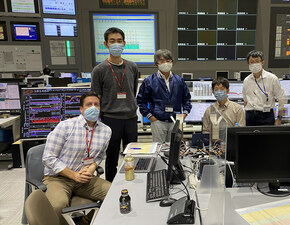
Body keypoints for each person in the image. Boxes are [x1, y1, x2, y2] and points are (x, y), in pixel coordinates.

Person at [42, 91, 112, 225]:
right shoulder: (65, 126)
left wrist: (91, 169)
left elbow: (100, 156)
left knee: (115, 194)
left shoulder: (106, 131)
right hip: (58, 178)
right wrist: (73, 175)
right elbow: (48, 158)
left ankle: (86, 221)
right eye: (88, 104)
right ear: (81, 109)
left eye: (96, 104)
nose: (93, 107)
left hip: (85, 179)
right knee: (58, 206)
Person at [91, 27, 139, 182]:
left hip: (130, 118)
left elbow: (133, 90)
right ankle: (110, 187)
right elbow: (96, 97)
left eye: (119, 41)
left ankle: (131, 182)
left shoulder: (132, 67)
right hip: (110, 118)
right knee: (111, 157)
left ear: (124, 43)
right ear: (106, 44)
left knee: (131, 155)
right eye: (112, 41)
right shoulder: (99, 70)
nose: (116, 44)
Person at [137, 49, 192, 143]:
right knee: (159, 150)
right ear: (156, 63)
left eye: (168, 61)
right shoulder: (149, 81)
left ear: (172, 62)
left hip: (176, 121)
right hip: (158, 121)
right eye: (162, 61)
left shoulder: (179, 81)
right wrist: (150, 116)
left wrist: (184, 114)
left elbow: (187, 99)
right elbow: (141, 101)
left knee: (175, 149)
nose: (165, 63)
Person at [242, 50, 286, 126]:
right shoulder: (246, 80)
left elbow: (281, 100)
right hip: (250, 116)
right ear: (248, 64)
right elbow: (245, 102)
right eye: (251, 62)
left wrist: (279, 118)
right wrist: (244, 119)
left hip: (267, 116)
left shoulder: (272, 78)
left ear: (262, 63)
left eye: (257, 61)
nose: (254, 64)